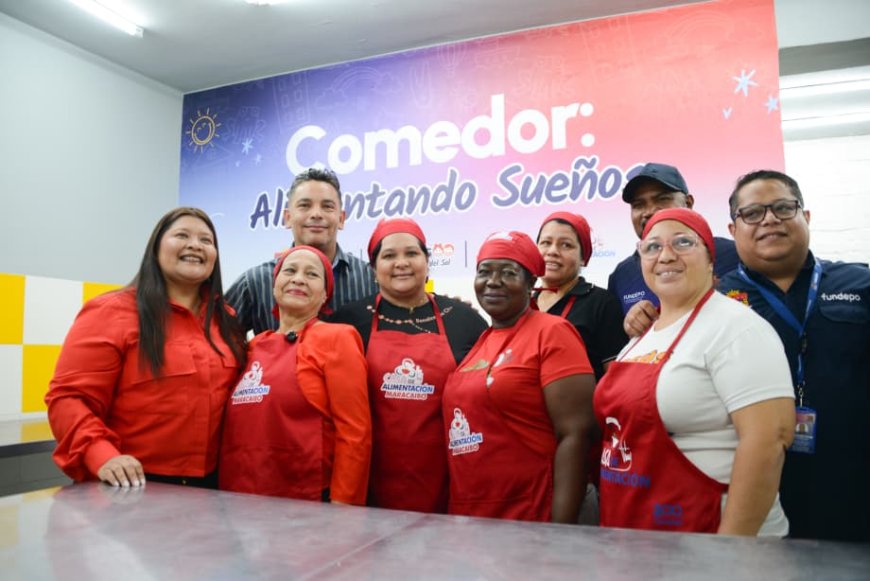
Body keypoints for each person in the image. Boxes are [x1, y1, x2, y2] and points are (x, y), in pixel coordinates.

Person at [594, 208, 795, 536]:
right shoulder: (640, 338)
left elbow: (768, 440)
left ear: (711, 260)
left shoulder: (737, 328)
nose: (666, 256)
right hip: (639, 528)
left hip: (709, 531)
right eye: (652, 247)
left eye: (683, 242)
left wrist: (729, 547)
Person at [717, 170, 870, 542]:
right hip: (758, 485)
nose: (769, 219)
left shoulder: (859, 283)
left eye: (783, 208)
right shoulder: (712, 302)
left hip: (855, 482)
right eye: (752, 213)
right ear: (733, 229)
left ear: (806, 217)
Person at [45, 207, 247, 488]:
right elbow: (68, 398)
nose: (195, 245)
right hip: (131, 486)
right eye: (182, 235)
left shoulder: (227, 321)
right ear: (155, 249)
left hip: (211, 489)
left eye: (206, 240)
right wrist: (102, 456)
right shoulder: (109, 311)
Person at [331, 218, 488, 513]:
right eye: (389, 256)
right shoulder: (347, 321)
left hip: (448, 481)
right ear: (373, 269)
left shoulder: (464, 319)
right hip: (369, 484)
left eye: (411, 254)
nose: (401, 263)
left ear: (427, 261)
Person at [442, 231, 597, 524]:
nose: (493, 281)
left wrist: (558, 529)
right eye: (484, 271)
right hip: (472, 511)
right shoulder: (482, 341)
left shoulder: (552, 332)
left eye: (508, 272)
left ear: (531, 284)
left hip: (532, 509)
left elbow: (575, 435)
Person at [219, 245, 371, 505]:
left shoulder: (338, 338)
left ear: (325, 295)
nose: (299, 278)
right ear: (275, 285)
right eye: (289, 270)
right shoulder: (253, 347)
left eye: (312, 274)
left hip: (306, 502)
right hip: (237, 498)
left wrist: (344, 508)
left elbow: (355, 432)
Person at [226, 167, 377, 335]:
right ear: (288, 217)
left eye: (327, 206)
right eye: (305, 205)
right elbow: (214, 338)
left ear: (341, 219)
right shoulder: (255, 281)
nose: (316, 214)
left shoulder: (371, 279)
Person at [608, 162, 739, 314]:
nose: (650, 211)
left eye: (662, 199)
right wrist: (632, 327)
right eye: (638, 205)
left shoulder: (733, 254)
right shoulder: (621, 275)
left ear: (688, 203)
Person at [536, 211, 628, 380]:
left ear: (583, 258)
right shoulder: (522, 303)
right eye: (546, 243)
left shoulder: (601, 303)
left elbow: (615, 379)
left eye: (566, 245)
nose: (552, 251)